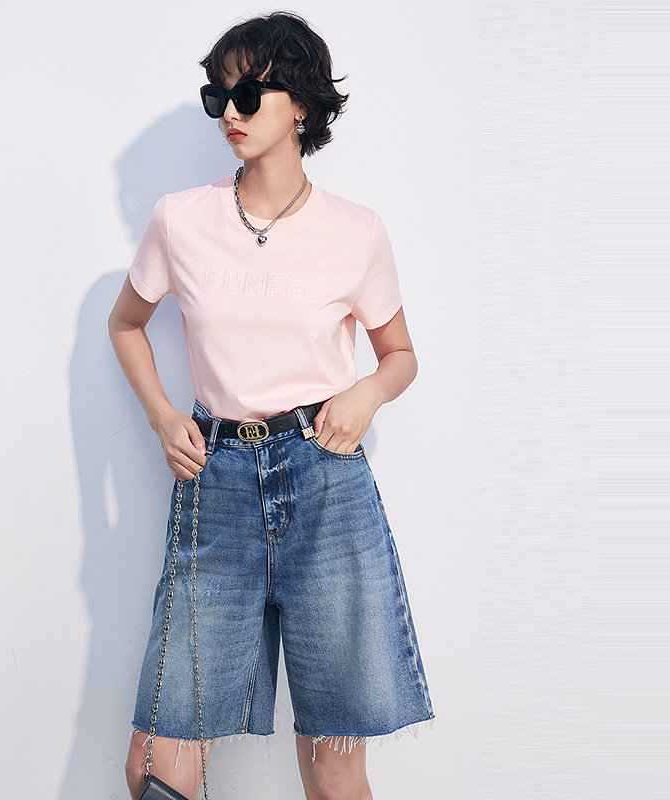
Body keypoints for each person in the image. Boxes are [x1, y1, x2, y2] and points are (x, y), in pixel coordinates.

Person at [108, 11, 435, 800]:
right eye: (217, 95)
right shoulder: (180, 220)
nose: (230, 111)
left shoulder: (355, 231)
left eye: (249, 93)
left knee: (334, 763)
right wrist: (163, 415)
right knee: (158, 758)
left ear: (302, 106)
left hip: (326, 482)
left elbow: (401, 355)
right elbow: (125, 323)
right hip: (215, 483)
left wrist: (366, 392)